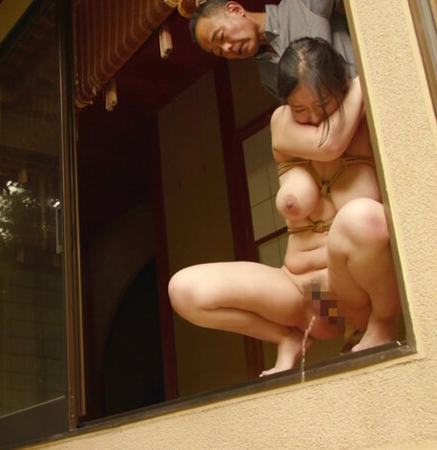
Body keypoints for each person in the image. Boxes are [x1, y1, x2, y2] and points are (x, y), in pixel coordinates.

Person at [168, 37, 401, 376]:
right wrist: (358, 84)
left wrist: (362, 81)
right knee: (185, 289)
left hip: (352, 292)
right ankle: (287, 338)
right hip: (305, 296)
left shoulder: (370, 118)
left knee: (361, 218)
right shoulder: (283, 122)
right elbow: (330, 145)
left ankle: (382, 322)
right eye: (300, 109)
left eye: (323, 104)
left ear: (342, 83)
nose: (312, 116)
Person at [189, 0, 355, 98]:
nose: (227, 49)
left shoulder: (299, 5)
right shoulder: (268, 76)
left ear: (235, 10)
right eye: (220, 52)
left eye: (221, 36)